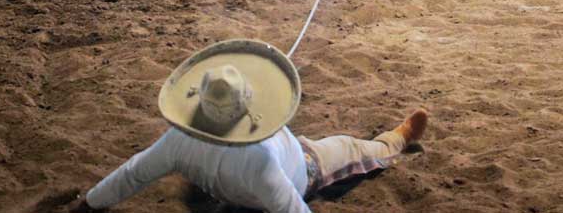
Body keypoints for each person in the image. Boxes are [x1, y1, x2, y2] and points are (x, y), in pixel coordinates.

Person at [67, 39, 429, 213]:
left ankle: (207, 187)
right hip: (301, 166)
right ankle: (395, 140)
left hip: (235, 180)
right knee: (351, 149)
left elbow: (132, 174)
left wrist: (90, 205)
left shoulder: (177, 139)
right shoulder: (260, 162)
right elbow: (293, 209)